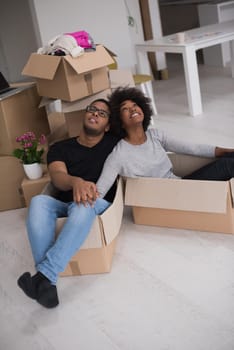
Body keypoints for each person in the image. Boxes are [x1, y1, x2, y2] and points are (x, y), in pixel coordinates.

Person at [17, 98, 119, 309]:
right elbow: (57, 176)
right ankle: (46, 284)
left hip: (94, 203)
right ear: (84, 114)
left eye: (102, 114)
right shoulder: (60, 147)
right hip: (63, 201)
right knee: (37, 202)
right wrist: (76, 182)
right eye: (92, 109)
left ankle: (45, 276)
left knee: (84, 206)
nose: (95, 114)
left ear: (108, 125)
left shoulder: (113, 143)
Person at [96, 86, 234, 199]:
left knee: (228, 157)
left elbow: (192, 148)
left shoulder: (155, 135)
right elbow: (100, 190)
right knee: (227, 165)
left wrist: (224, 151)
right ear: (119, 121)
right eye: (125, 109)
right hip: (167, 197)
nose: (133, 109)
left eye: (135, 105)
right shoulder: (119, 154)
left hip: (180, 186)